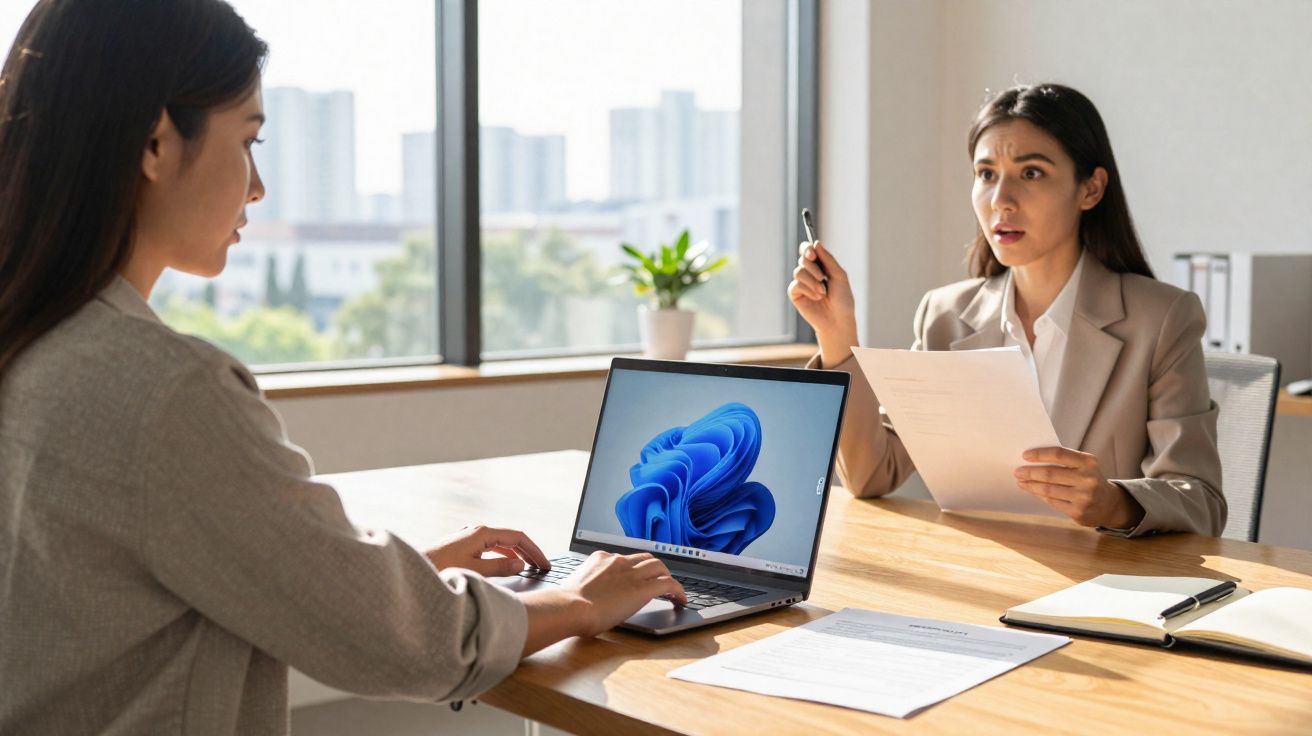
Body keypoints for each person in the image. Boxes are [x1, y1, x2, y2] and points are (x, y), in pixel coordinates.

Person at [0, 1, 684, 733]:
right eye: (248, 140)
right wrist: (581, 601)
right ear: (156, 141)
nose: (257, 187)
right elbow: (408, 648)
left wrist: (386, 580)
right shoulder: (165, 391)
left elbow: (154, 583)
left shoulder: (35, 344)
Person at [789, 83, 1223, 537]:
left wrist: (1115, 503)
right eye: (986, 174)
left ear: (1090, 189)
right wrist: (838, 335)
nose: (1001, 200)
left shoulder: (1163, 318)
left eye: (1031, 173)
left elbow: (1202, 501)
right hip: (979, 578)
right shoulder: (944, 315)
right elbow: (870, 476)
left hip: (1102, 586)